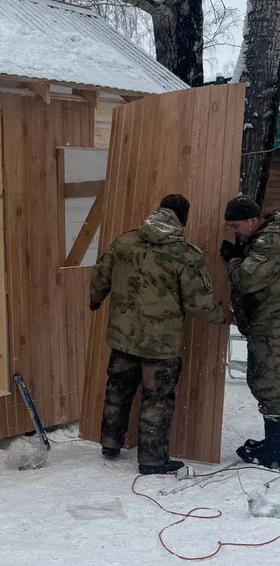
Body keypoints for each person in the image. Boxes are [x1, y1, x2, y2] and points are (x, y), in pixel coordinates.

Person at [90, 194, 226, 474]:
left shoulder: (125, 241)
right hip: (160, 346)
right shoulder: (185, 254)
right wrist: (224, 316)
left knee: (117, 391)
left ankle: (110, 443)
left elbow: (102, 274)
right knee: (157, 400)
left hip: (123, 337)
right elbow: (198, 303)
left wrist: (95, 299)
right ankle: (152, 461)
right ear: (183, 219)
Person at [221, 195, 280, 468]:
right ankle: (274, 444)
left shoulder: (270, 241)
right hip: (268, 322)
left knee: (269, 386)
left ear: (252, 220)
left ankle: (275, 453)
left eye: (236, 225)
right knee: (267, 383)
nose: (235, 231)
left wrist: (232, 260)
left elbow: (246, 279)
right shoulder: (264, 235)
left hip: (272, 326)